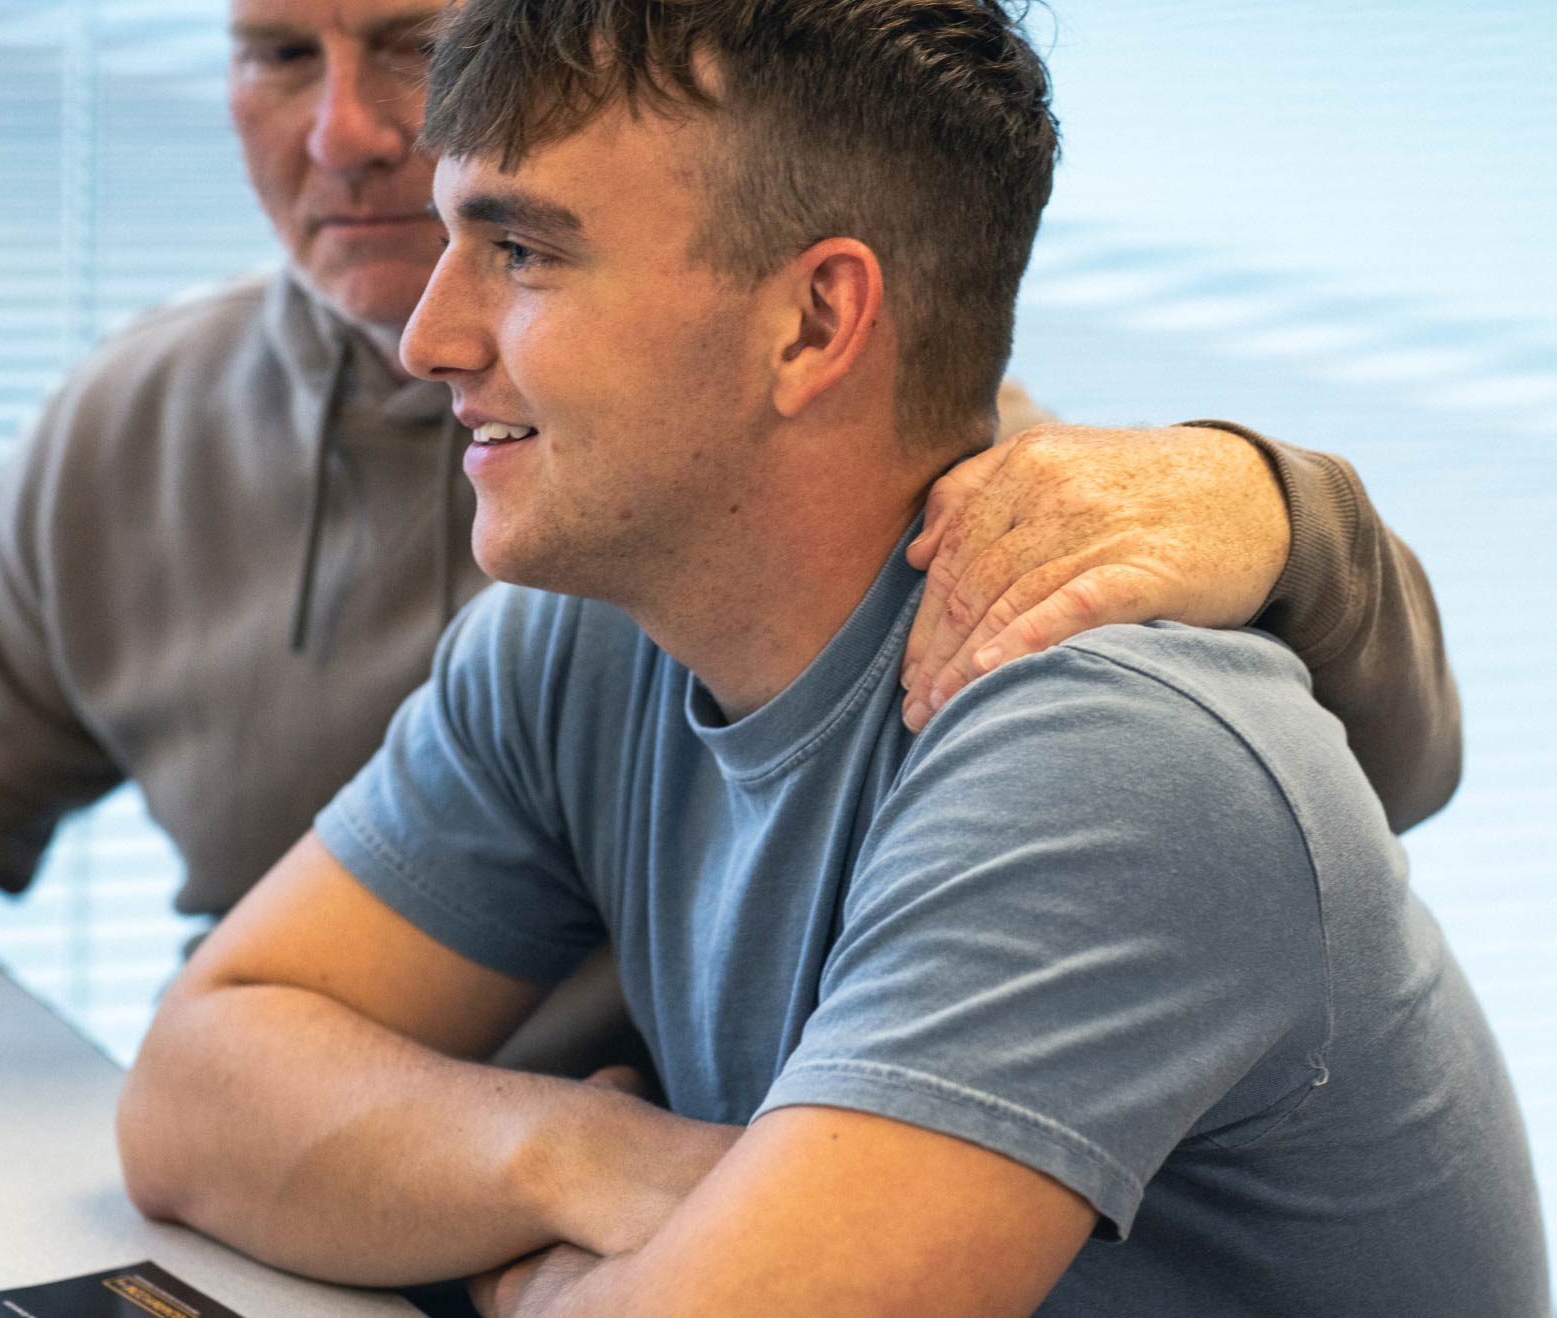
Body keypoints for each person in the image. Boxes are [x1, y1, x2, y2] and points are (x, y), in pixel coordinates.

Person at [115, 0, 1545, 1313]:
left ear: (813, 321)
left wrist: (557, 1287)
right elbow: (191, 1093)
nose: (428, 336)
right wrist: (594, 1158)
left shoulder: (1110, 753)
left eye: (524, 252)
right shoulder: (584, 637)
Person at [0, 0, 1453, 978]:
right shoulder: (141, 418)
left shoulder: (813, 469)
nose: (348, 132)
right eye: (274, 54)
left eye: (415, 50)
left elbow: (1307, 786)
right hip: (325, 1191)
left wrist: (1276, 507)